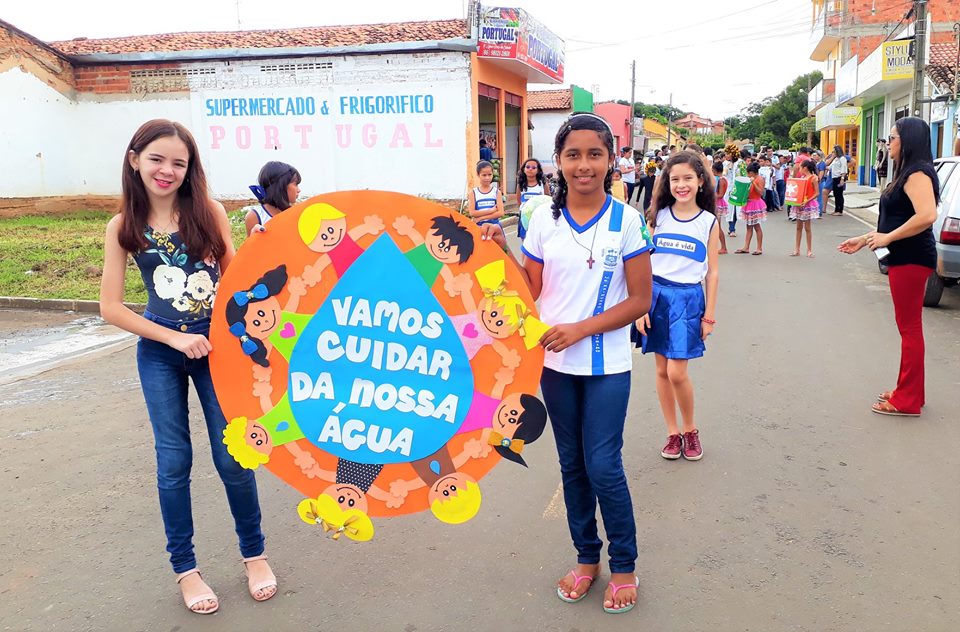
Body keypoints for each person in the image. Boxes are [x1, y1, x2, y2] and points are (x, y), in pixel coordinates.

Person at [99, 119, 277, 615]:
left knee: (234, 456)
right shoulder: (123, 227)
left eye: (179, 162)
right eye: (157, 158)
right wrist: (176, 337)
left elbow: (239, 279)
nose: (167, 170)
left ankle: (254, 555)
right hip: (161, 350)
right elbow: (111, 308)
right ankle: (186, 569)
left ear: (189, 168)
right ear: (135, 159)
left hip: (216, 350)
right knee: (173, 461)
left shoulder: (209, 212)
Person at [481, 112, 653, 614]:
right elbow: (528, 291)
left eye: (594, 154)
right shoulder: (541, 220)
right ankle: (586, 559)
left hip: (607, 367)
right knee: (572, 465)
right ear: (557, 161)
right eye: (573, 155)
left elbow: (641, 299)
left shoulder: (627, 221)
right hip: (553, 368)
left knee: (603, 465)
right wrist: (503, 249)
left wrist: (581, 328)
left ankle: (624, 564)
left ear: (610, 159)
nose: (584, 165)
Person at [838, 117, 940, 417]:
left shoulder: (917, 173)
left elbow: (927, 215)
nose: (888, 142)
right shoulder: (907, 173)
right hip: (904, 256)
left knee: (909, 329)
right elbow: (896, 220)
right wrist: (865, 238)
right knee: (909, 328)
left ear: (906, 140)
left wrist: (887, 238)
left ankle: (906, 400)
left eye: (893, 137)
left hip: (911, 259)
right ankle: (909, 392)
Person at [635, 151, 719, 462]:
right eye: (675, 180)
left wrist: (709, 315)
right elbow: (641, 264)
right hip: (655, 296)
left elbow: (713, 272)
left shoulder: (709, 222)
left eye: (688, 179)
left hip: (688, 300)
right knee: (660, 369)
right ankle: (672, 432)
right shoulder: (657, 216)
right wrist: (641, 306)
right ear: (666, 183)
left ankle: (690, 429)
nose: (681, 185)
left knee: (677, 372)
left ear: (700, 182)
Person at [245, 161, 300, 235]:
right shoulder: (255, 216)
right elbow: (250, 246)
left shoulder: (296, 214)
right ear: (281, 185)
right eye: (296, 184)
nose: (299, 190)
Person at [789, 159, 820, 257]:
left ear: (805, 168)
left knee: (807, 228)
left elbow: (817, 193)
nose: (799, 169)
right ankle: (797, 249)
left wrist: (807, 201)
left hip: (808, 204)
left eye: (800, 167)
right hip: (800, 204)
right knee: (798, 227)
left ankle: (809, 250)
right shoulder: (802, 177)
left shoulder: (813, 178)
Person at [734, 162, 766, 255]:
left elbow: (760, 192)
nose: (748, 175)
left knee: (757, 226)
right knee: (748, 226)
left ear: (752, 172)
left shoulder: (759, 179)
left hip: (756, 204)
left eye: (749, 173)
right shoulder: (750, 179)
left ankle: (759, 248)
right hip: (749, 203)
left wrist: (753, 183)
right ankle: (746, 247)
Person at [467, 160, 504, 227]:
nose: (487, 178)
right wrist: (491, 210)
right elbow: (472, 213)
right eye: (484, 175)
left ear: (493, 174)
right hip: (479, 227)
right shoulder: (473, 193)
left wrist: (482, 218)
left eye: (489, 175)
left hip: (494, 227)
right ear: (478, 175)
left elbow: (500, 213)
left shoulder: (496, 192)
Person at [516, 158, 546, 239]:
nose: (530, 169)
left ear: (538, 170)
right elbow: (519, 201)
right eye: (528, 167)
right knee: (525, 240)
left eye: (533, 168)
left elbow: (548, 199)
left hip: (539, 217)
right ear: (523, 169)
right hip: (525, 217)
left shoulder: (543, 184)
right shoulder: (521, 185)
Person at [712, 161, 729, 254]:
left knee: (717, 227)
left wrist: (710, 194)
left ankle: (723, 247)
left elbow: (721, 195)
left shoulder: (721, 180)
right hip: (716, 203)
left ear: (715, 170)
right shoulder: (720, 179)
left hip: (717, 204)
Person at [826, 145, 847, 215]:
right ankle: (836, 209)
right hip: (834, 178)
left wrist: (842, 179)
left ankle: (840, 210)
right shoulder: (836, 159)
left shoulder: (842, 159)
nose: (833, 152)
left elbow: (844, 170)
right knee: (836, 194)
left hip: (839, 178)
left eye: (834, 151)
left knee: (839, 195)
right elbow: (829, 167)